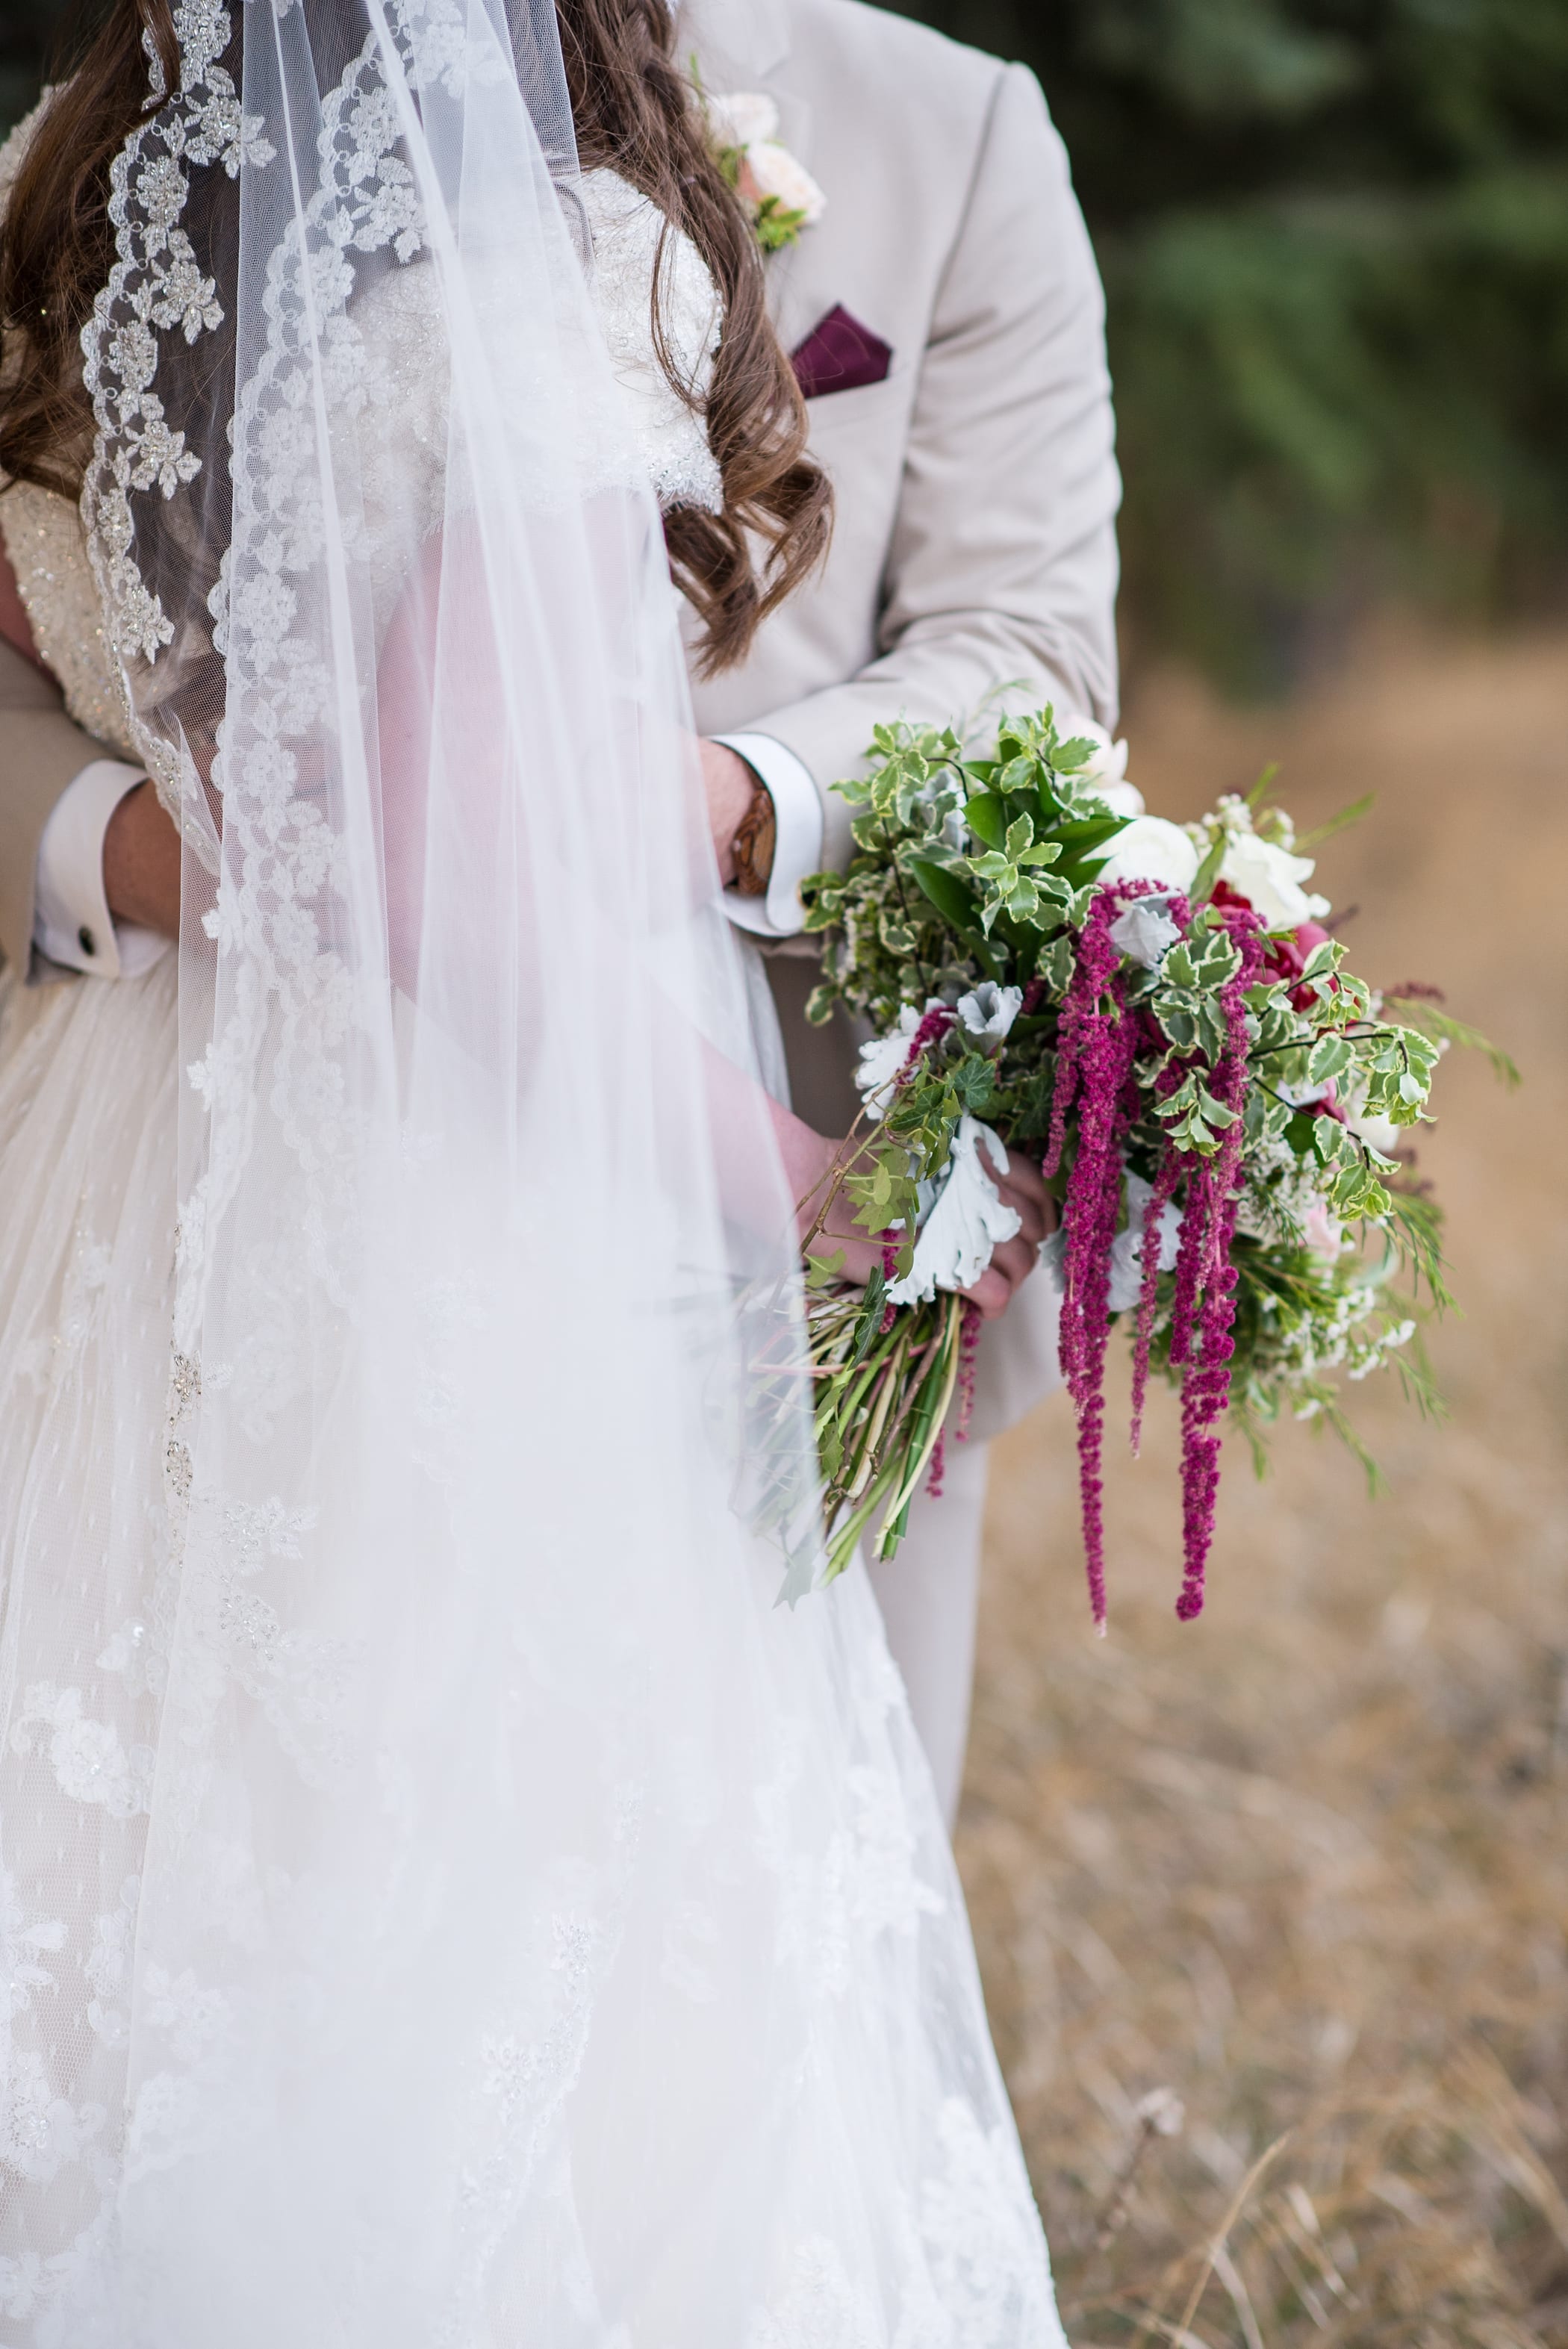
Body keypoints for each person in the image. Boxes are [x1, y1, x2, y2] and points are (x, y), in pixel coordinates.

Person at [0, 1, 1065, 2338]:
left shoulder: (97, 206)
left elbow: (1017, 653)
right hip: (451, 1183)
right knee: (495, 1953)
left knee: (133, 1899)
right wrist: (794, 1176)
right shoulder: (554, 246)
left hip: (105, 1180)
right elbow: (463, 850)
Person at [684, 0, 1122, 1822]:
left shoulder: (950, 130)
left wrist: (732, 799)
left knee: (819, 1877)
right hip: (282, 1107)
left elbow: (1027, 647)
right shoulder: (181, 121)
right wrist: (117, 852)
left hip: (809, 1159)